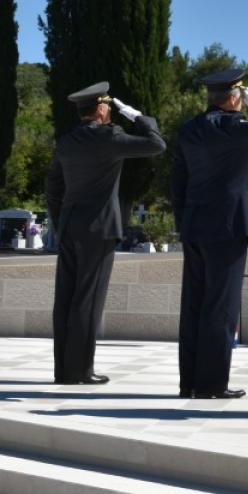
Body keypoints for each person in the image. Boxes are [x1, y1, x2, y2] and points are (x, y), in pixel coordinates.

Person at [171, 69, 248, 399]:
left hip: (195, 226)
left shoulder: (190, 128)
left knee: (194, 305)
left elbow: (178, 182)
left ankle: (189, 382)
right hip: (227, 227)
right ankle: (211, 384)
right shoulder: (233, 126)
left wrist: (185, 222)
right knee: (221, 308)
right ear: (235, 98)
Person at [45, 82, 166, 384]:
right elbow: (156, 144)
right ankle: (81, 372)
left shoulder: (67, 141)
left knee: (66, 299)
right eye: (109, 107)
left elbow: (53, 187)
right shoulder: (110, 136)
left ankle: (64, 370)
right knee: (88, 300)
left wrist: (62, 222)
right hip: (98, 231)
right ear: (100, 109)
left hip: (70, 229)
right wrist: (140, 118)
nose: (110, 111)